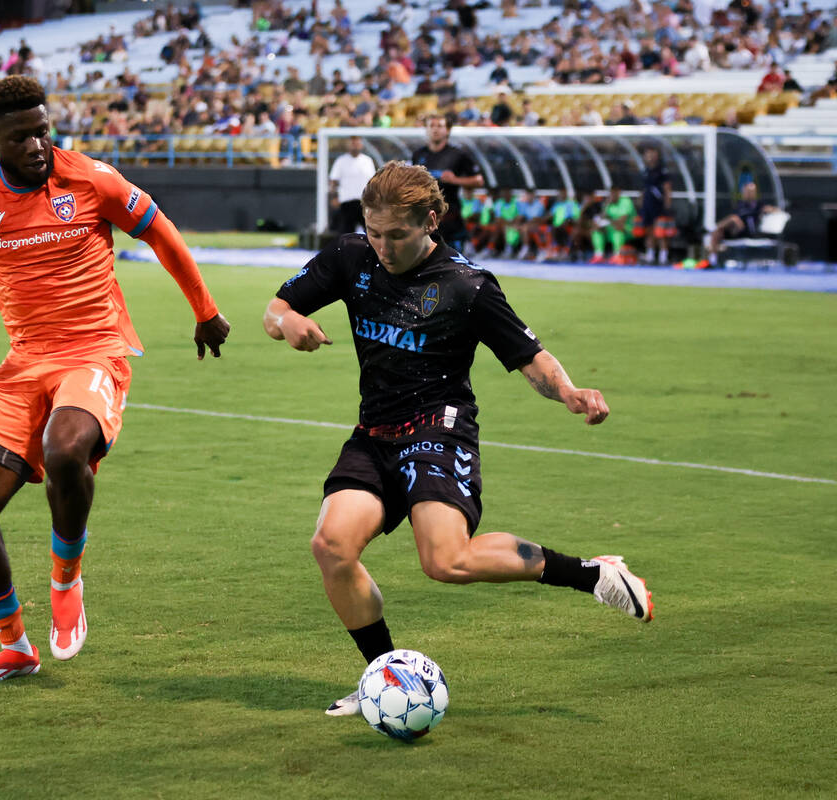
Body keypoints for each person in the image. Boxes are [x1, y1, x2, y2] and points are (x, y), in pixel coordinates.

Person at [0, 76, 230, 685]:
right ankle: (14, 645)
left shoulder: (90, 178)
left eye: (42, 129)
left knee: (64, 447)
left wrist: (205, 310)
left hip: (94, 351)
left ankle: (66, 573)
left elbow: (159, 230)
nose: (36, 144)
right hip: (25, 361)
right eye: (20, 135)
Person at [261, 161, 651, 717]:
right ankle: (387, 678)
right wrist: (287, 323)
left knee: (445, 561)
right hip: (374, 433)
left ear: (432, 221)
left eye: (397, 235)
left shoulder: (467, 286)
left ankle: (593, 574)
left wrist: (567, 391)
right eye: (375, 233)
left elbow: (529, 356)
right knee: (331, 546)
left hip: (438, 430)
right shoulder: (350, 257)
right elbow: (276, 308)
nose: (384, 247)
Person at [410, 112, 484, 252]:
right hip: (423, 218)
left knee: (453, 263)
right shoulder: (418, 154)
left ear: (448, 130)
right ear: (426, 129)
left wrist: (455, 180)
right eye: (431, 125)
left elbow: (478, 180)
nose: (435, 129)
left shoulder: (458, 154)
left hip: (450, 218)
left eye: (440, 126)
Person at [707, 181, 782, 258]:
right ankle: (712, 259)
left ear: (754, 193)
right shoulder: (740, 205)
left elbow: (777, 211)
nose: (748, 194)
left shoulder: (759, 205)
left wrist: (770, 210)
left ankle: (712, 229)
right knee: (719, 232)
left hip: (750, 232)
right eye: (746, 191)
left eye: (750, 192)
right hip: (737, 231)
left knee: (733, 218)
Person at [329, 135, 376, 234]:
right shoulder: (341, 161)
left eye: (357, 143)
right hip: (347, 202)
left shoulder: (367, 161)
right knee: (346, 233)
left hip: (364, 203)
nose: (355, 146)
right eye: (353, 143)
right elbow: (333, 181)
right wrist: (333, 197)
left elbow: (372, 182)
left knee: (371, 233)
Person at [639, 146, 674, 264]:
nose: (650, 157)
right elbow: (644, 189)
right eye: (648, 154)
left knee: (661, 231)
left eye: (652, 154)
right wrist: (641, 202)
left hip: (658, 205)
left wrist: (667, 205)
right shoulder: (645, 171)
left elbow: (667, 188)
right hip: (647, 205)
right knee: (649, 230)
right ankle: (650, 255)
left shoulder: (662, 170)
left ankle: (663, 257)